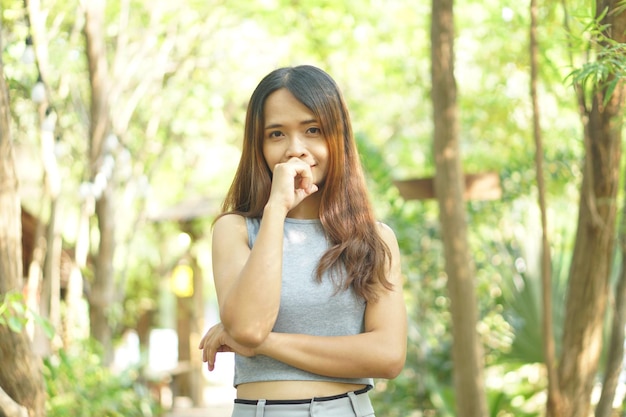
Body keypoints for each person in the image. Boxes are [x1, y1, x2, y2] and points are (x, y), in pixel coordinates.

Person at [198, 65, 407, 417]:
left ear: (336, 138)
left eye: (313, 130)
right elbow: (248, 326)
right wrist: (276, 210)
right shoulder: (235, 230)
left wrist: (265, 344)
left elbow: (387, 355)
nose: (296, 149)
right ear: (258, 145)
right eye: (276, 134)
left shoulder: (375, 239)